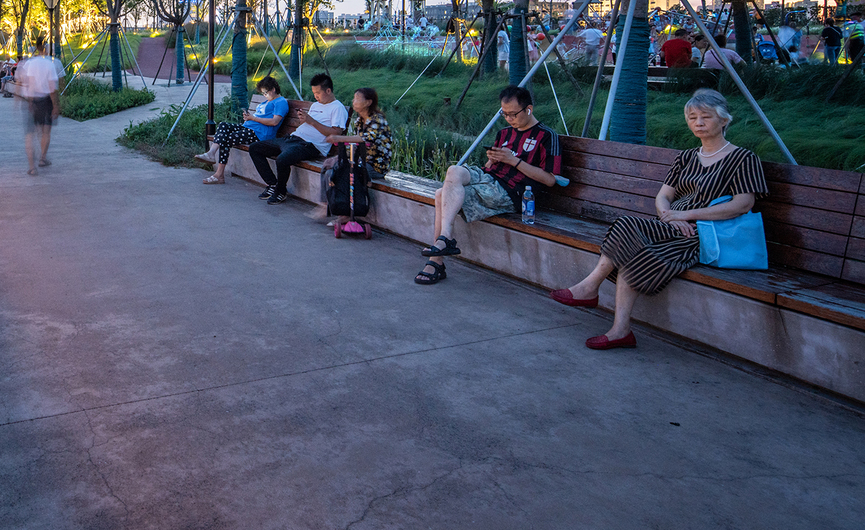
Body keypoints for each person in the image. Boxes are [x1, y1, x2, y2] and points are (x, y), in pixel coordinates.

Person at [550, 89, 767, 349]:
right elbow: (663, 196)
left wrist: (685, 215)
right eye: (692, 117)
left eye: (705, 117)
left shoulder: (743, 158)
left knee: (629, 234)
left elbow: (743, 205)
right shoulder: (686, 157)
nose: (698, 123)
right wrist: (669, 216)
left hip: (703, 234)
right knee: (628, 233)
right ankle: (617, 326)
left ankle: (596, 296)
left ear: (724, 120)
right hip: (672, 226)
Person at [416, 86, 561, 286]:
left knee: (442, 194)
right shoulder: (504, 134)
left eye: (513, 114)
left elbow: (550, 179)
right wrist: (492, 161)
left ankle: (436, 261)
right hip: (489, 179)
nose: (509, 119)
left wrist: (514, 161)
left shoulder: (546, 136)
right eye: (505, 114)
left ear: (528, 109)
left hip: (512, 192)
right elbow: (487, 169)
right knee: (453, 171)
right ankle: (445, 238)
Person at [248, 73, 349, 205]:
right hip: (292, 139)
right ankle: (273, 184)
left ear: (328, 90)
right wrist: (304, 121)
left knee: (282, 159)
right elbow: (307, 125)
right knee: (255, 148)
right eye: (314, 93)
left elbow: (336, 133)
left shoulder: (338, 108)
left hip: (311, 146)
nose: (315, 96)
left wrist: (311, 121)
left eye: (318, 93)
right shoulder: (315, 105)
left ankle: (281, 191)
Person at [310, 86, 392, 230]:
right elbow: (354, 144)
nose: (353, 102)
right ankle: (326, 205)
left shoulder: (377, 120)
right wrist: (340, 157)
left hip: (375, 166)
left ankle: (346, 215)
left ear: (368, 102)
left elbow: (366, 139)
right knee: (329, 166)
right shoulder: (359, 121)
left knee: (344, 173)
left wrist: (339, 138)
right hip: (360, 161)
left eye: (357, 99)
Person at [194, 76, 288, 184]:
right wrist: (249, 118)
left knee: (225, 139)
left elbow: (274, 121)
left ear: (273, 89)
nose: (264, 95)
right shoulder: (266, 102)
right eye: (263, 93)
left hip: (259, 133)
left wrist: (253, 118)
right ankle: (211, 153)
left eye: (266, 92)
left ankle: (219, 174)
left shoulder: (280, 102)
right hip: (248, 127)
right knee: (223, 125)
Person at [13, 38, 64, 176]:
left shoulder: (29, 64)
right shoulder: (50, 64)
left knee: (30, 135)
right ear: (45, 49)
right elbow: (53, 88)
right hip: (46, 100)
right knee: (45, 132)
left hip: (32, 101)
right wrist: (55, 106)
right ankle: (42, 158)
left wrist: (26, 100)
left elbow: (27, 82)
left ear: (35, 49)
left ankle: (32, 167)